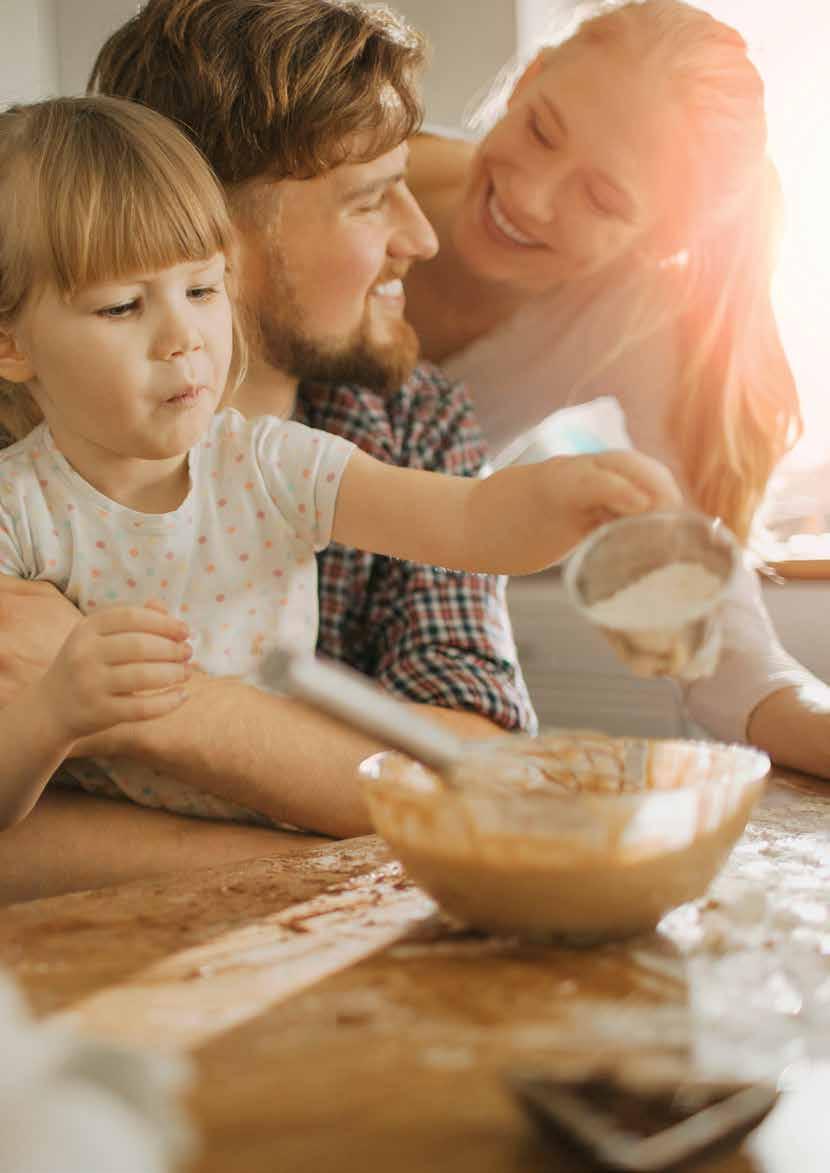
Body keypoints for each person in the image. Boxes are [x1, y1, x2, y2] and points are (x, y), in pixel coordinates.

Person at [0, 94, 680, 831]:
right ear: (13, 347)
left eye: (201, 289)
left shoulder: (263, 462)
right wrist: (51, 714)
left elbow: (464, 520)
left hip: (299, 843)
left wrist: (564, 499)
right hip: (118, 912)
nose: (183, 337)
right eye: (122, 306)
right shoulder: (15, 510)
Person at [0, 0, 513, 897]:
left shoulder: (412, 422)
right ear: (215, 223)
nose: (419, 237)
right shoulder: (26, 472)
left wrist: (143, 706)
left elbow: (474, 769)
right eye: (368, 197)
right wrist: (349, 842)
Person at [404, 0, 830, 776]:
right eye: (539, 128)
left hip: (388, 655)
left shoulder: (630, 312)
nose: (530, 196)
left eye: (601, 198)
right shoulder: (343, 179)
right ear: (528, 78)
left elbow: (730, 653)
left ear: (660, 243)